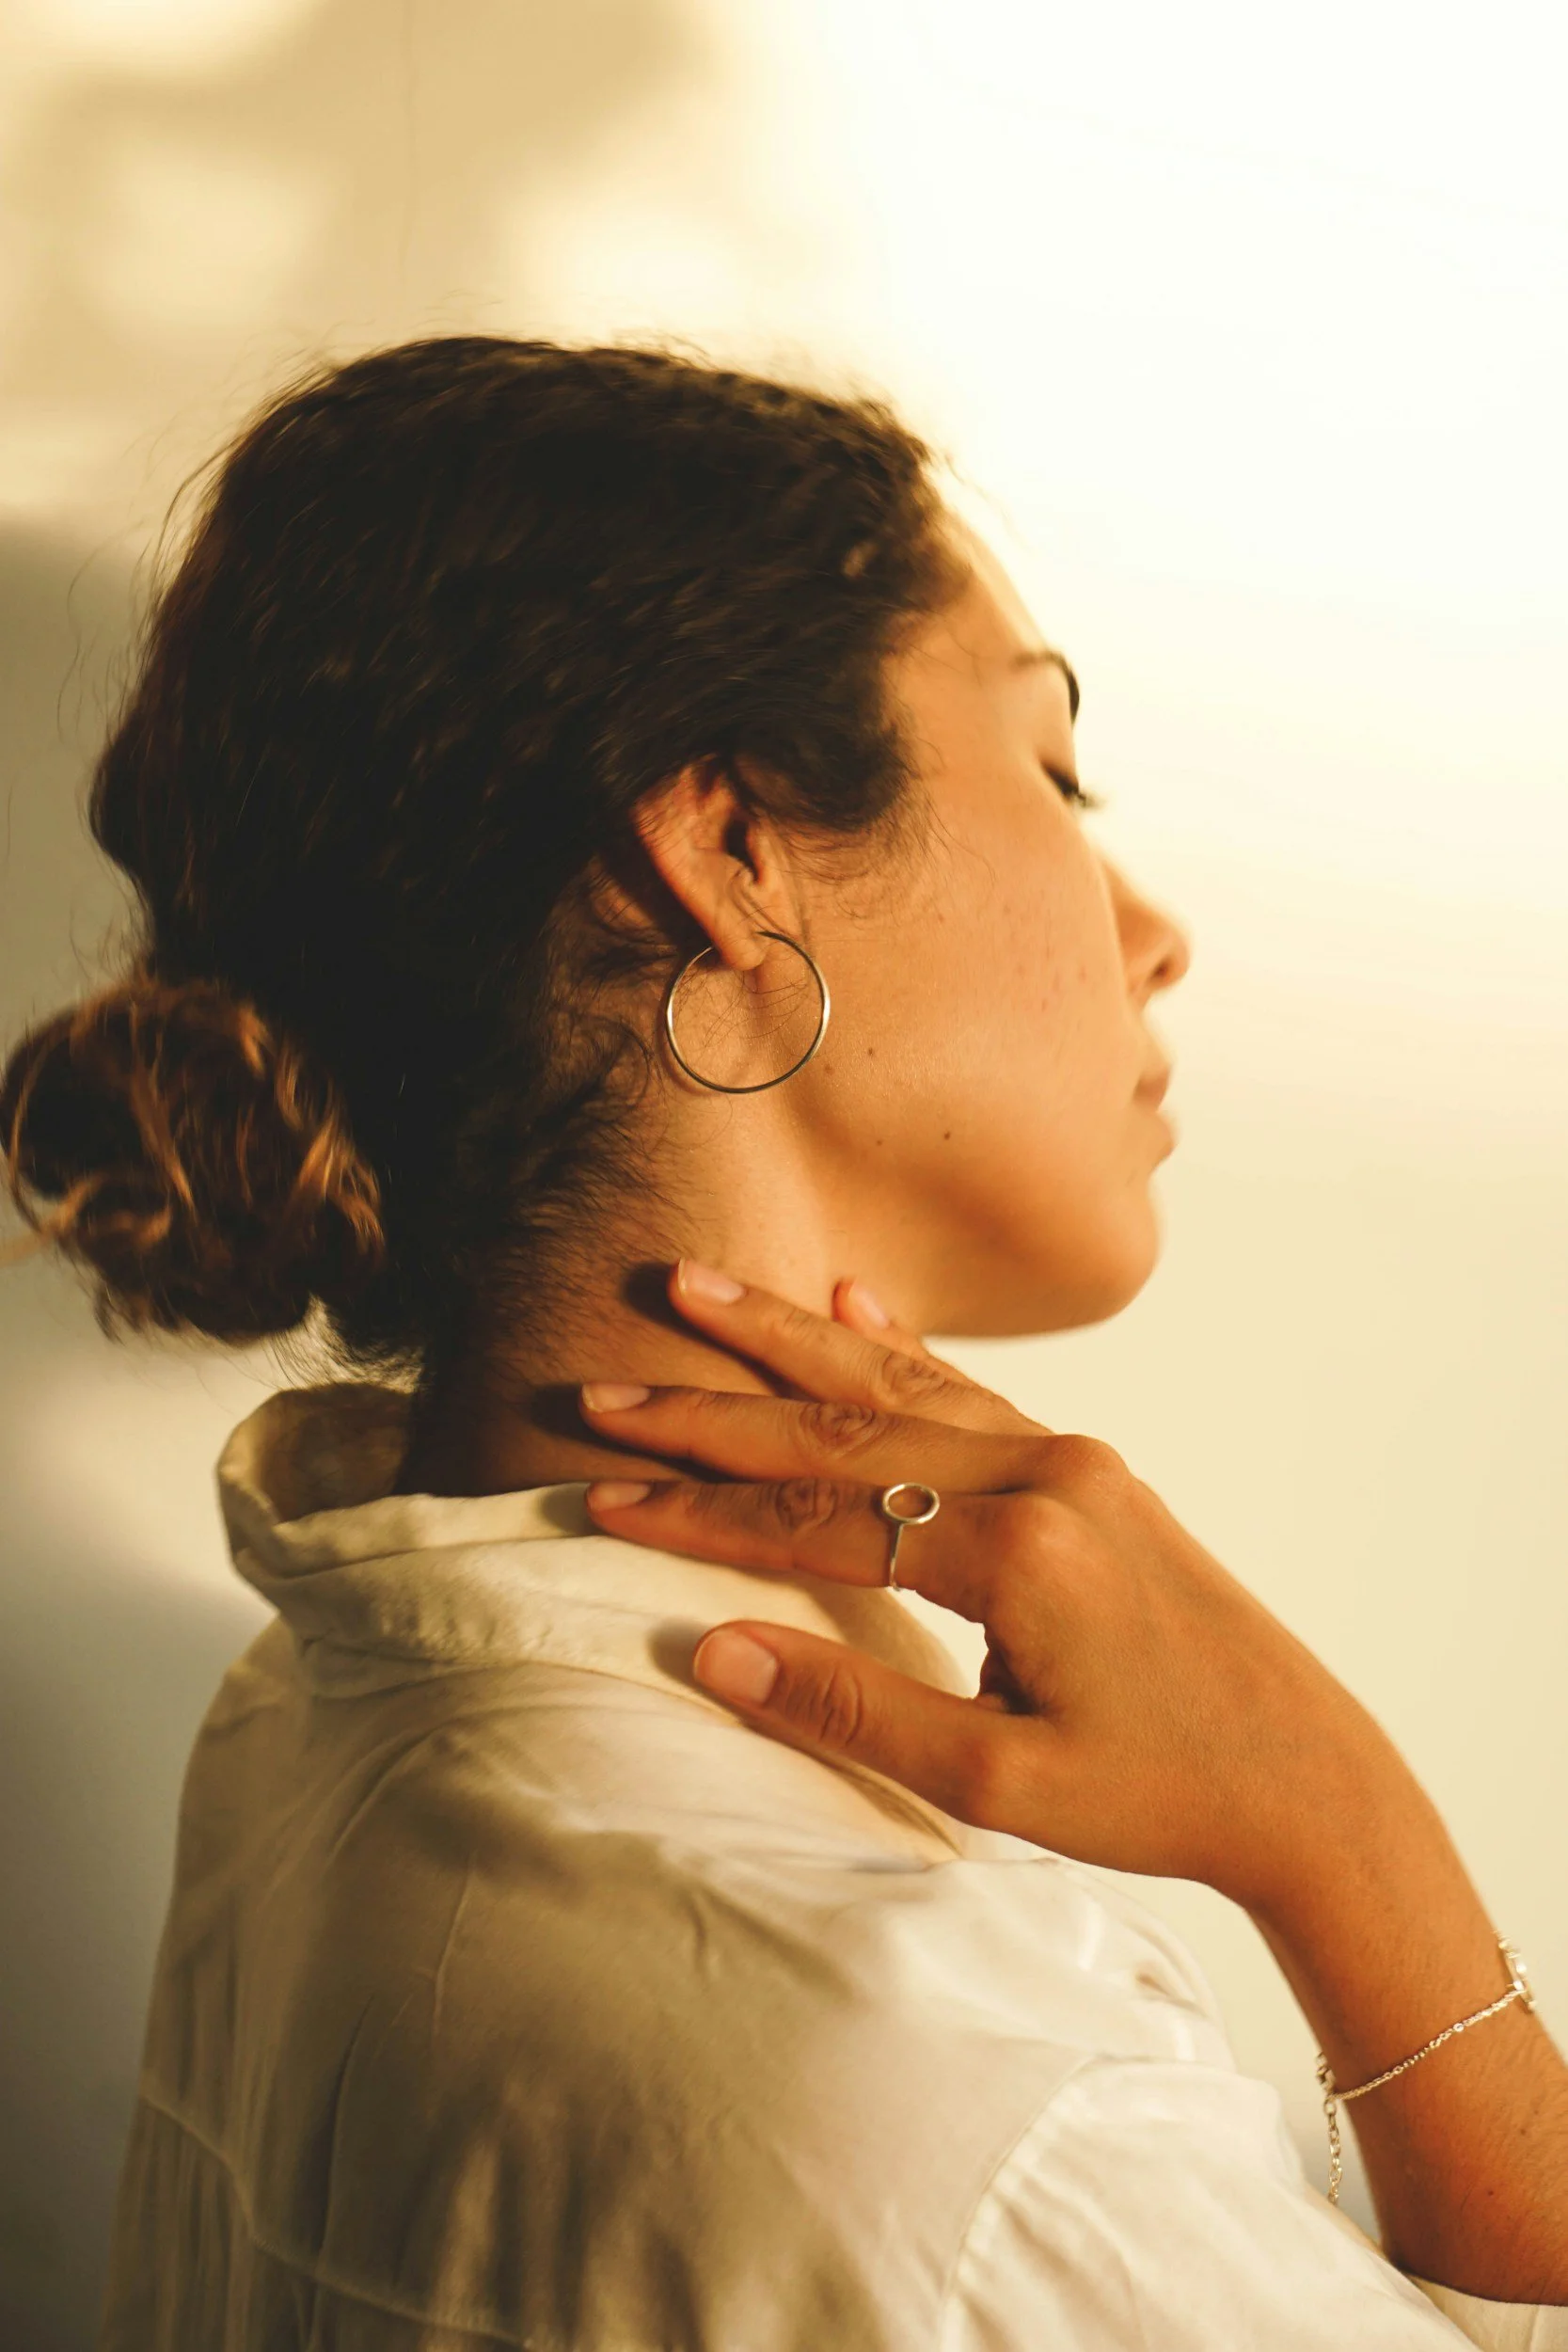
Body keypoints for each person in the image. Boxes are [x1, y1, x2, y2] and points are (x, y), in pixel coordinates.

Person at [2, 334, 1562, 2350]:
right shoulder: (961, 2128)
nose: (1152, 924)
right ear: (730, 851)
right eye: (1050, 763)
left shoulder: (313, 1726)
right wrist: (1342, 1840)